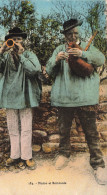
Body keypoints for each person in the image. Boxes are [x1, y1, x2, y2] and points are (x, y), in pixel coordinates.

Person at [46, 19, 107, 185]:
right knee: (63, 130)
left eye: (76, 33)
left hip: (85, 97)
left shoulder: (87, 47)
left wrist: (83, 54)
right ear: (65, 35)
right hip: (64, 97)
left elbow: (101, 59)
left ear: (79, 34)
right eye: (70, 33)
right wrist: (56, 60)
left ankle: (98, 165)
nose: (73, 36)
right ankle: (64, 154)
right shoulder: (59, 49)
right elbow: (49, 70)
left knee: (91, 133)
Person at [0, 27, 42, 170]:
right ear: (8, 41)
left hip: (25, 96)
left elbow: (35, 69)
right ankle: (15, 156)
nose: (16, 42)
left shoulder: (29, 54)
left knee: (26, 128)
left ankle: (27, 157)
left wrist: (21, 55)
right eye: (13, 39)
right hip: (9, 97)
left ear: (23, 41)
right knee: (12, 128)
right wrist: (1, 50)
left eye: (18, 39)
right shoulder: (4, 56)